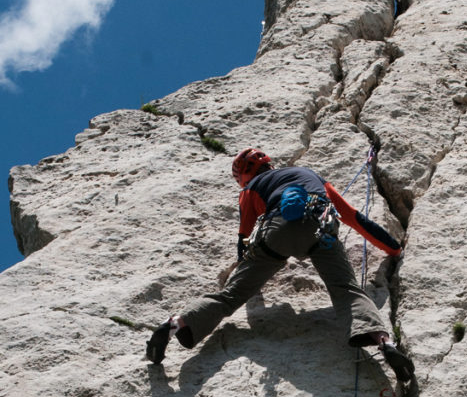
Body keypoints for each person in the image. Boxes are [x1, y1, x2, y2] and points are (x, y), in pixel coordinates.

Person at [146, 148, 415, 381]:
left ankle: (176, 323)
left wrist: (248, 271)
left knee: (229, 297)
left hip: (275, 234)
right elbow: (355, 218)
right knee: (346, 289)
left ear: (244, 175)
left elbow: (244, 236)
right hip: (318, 229)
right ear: (269, 164)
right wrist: (393, 247)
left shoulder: (250, 190)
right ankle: (384, 342)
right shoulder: (312, 176)